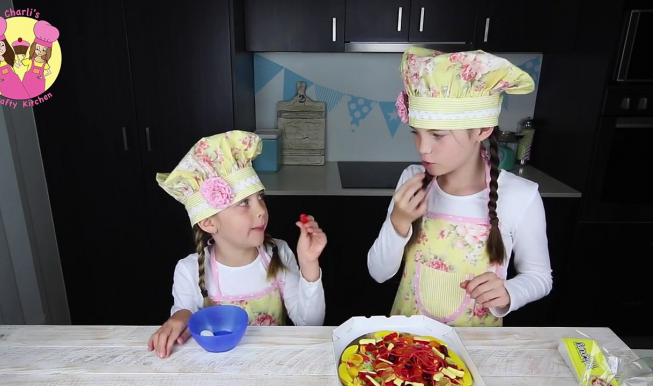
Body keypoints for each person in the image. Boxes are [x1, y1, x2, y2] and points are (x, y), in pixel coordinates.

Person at [367, 47, 552, 326]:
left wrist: (509, 292)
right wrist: (399, 222)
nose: (423, 149)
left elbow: (539, 277)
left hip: (478, 352)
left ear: (482, 130)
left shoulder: (520, 196)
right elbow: (378, 272)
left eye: (438, 136)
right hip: (408, 345)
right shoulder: (412, 180)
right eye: (416, 133)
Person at [147, 130, 326, 358]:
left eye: (260, 198)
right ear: (209, 222)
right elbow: (183, 318)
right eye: (244, 203)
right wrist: (181, 316)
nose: (261, 210)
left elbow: (310, 325)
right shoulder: (188, 271)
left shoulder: (278, 253)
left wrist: (309, 264)